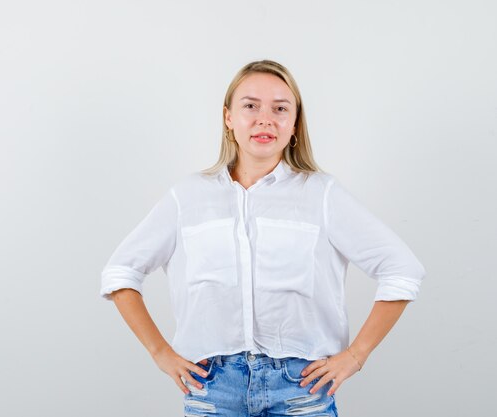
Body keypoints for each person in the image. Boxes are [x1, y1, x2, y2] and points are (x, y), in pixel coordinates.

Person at [99, 59, 426, 416]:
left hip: (300, 389)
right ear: (228, 118)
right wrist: (160, 352)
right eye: (250, 106)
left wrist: (356, 356)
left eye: (280, 108)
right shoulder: (188, 197)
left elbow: (402, 270)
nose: (265, 119)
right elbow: (120, 273)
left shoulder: (322, 194)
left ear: (295, 124)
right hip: (212, 390)